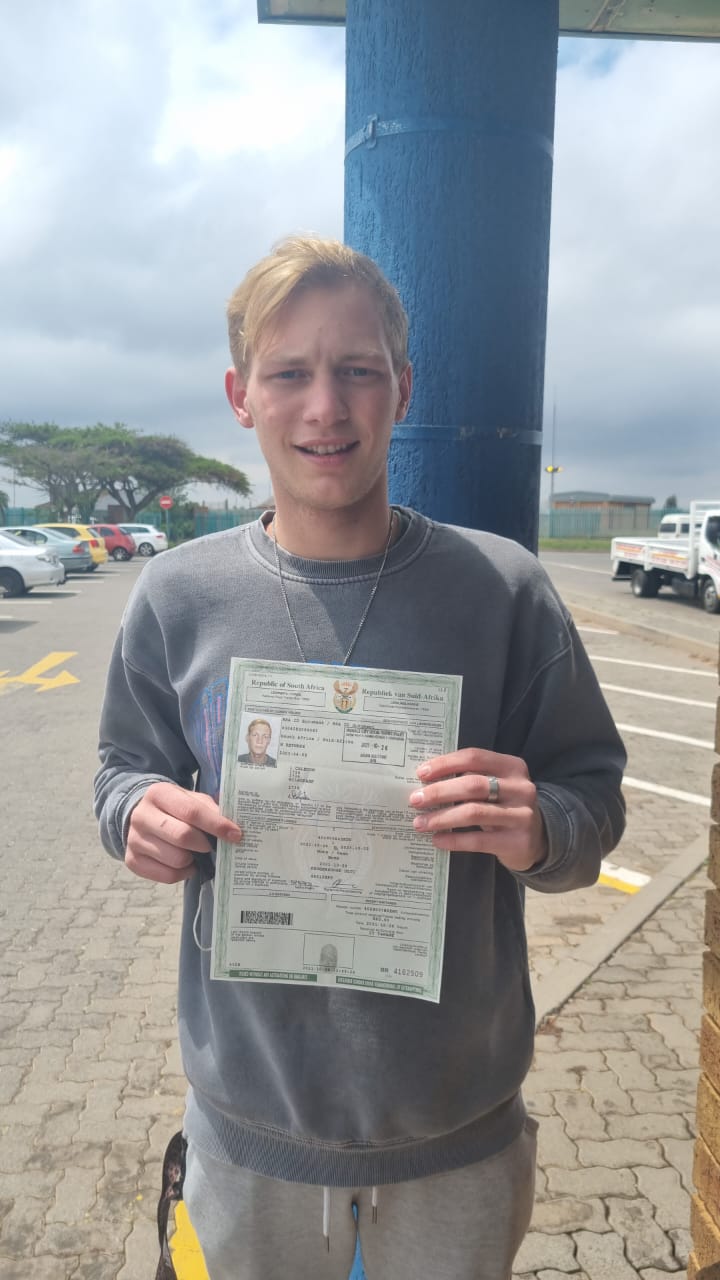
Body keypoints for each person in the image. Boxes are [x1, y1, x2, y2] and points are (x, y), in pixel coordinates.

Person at [95, 235, 626, 1280]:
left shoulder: (503, 589)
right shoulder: (177, 595)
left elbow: (593, 803)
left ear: (403, 388)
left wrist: (542, 827)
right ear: (242, 394)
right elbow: (121, 768)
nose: (324, 407)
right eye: (289, 372)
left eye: (358, 371)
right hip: (249, 1137)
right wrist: (139, 814)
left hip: (456, 1139)